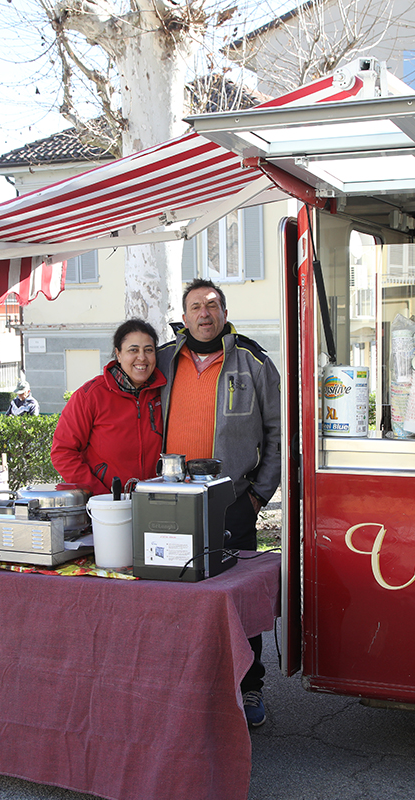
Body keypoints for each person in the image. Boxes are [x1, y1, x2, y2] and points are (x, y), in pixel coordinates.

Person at [157, 278, 281, 728]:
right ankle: (188, 687)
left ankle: (250, 690)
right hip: (170, 500)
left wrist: (257, 496)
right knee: (173, 598)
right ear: (184, 315)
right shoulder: (164, 360)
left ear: (224, 314)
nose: (204, 313)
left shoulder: (253, 362)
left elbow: (278, 436)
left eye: (212, 305)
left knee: (237, 601)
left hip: (232, 502)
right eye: (195, 306)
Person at [51, 319, 166, 495]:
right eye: (133, 350)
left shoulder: (164, 392)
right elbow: (63, 452)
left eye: (148, 350)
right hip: (106, 505)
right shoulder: (90, 395)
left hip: (153, 501)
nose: (142, 357)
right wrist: (100, 495)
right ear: (118, 354)